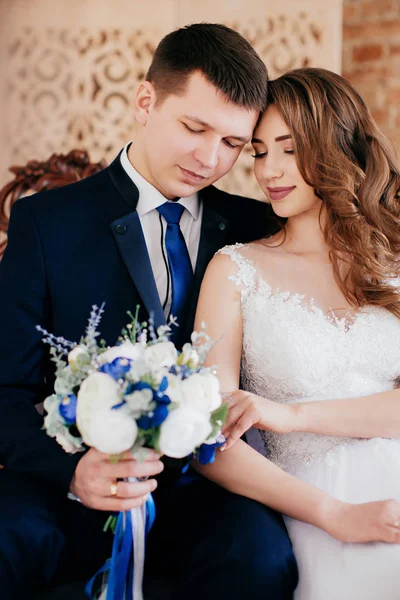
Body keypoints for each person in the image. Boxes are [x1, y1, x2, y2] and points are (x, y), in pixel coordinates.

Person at [0, 23, 298, 599]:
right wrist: (73, 472)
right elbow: (4, 388)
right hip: (62, 486)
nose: (210, 158)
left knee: (260, 562)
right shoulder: (46, 224)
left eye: (234, 144)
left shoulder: (255, 227)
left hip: (203, 492)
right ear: (145, 101)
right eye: (194, 127)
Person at [193, 67, 400, 600]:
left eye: (289, 148)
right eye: (260, 151)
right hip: (312, 503)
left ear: (336, 147)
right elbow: (209, 438)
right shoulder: (235, 269)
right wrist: (335, 516)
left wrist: (291, 414)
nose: (270, 171)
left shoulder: (393, 259)